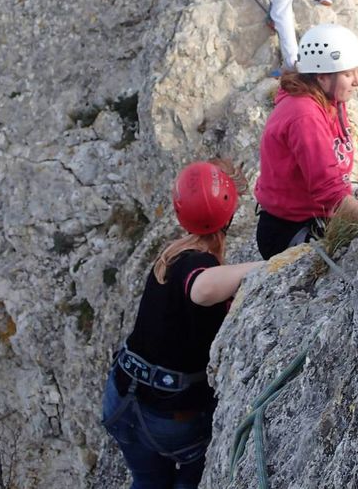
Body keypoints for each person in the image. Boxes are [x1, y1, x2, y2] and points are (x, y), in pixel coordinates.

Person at [102, 160, 264, 489]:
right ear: (229, 218)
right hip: (171, 415)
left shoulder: (171, 255)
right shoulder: (198, 263)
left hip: (121, 394)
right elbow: (201, 288)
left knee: (147, 482)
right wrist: (268, 267)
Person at [254, 23, 358, 259]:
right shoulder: (304, 115)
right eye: (349, 74)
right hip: (290, 229)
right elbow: (329, 192)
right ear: (322, 77)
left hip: (314, 216)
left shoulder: (329, 100)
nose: (357, 81)